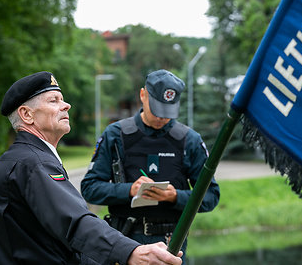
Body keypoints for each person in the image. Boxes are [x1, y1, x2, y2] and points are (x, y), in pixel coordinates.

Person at [0, 71, 182, 265]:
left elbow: (52, 242)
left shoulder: (21, 160)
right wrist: (132, 252)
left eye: (63, 99)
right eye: (54, 101)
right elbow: (75, 223)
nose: (66, 105)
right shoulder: (34, 163)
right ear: (26, 115)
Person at [81, 69, 220, 263]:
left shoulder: (190, 141)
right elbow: (89, 188)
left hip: (171, 246)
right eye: (157, 109)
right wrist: (129, 190)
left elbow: (211, 196)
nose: (161, 118)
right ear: (143, 95)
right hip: (124, 244)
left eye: (168, 112)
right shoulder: (115, 135)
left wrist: (175, 196)